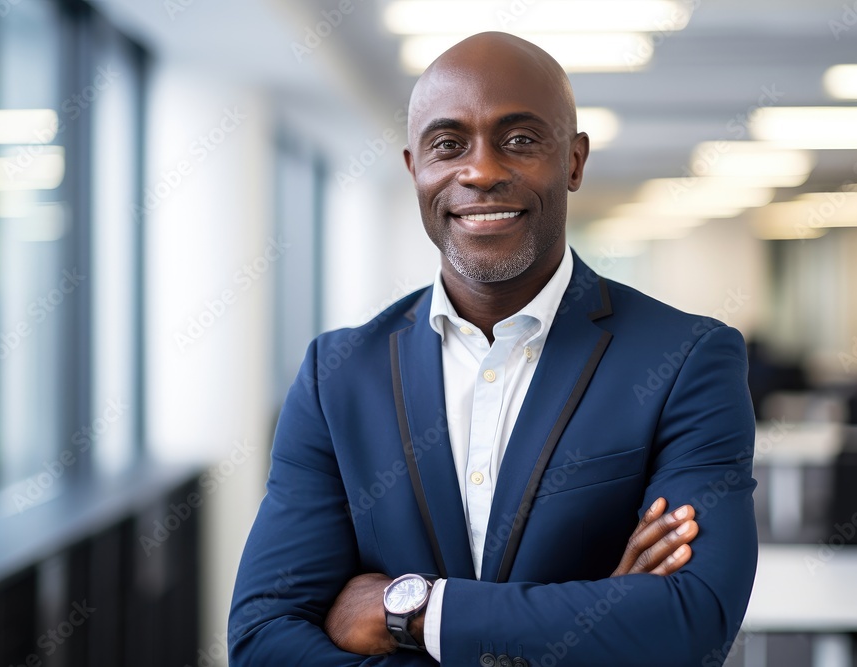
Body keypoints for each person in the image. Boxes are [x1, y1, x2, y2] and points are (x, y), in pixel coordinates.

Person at [229, 31, 757, 666]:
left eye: (520, 140)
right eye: (448, 145)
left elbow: (690, 622)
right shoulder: (337, 376)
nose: (480, 171)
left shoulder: (686, 360)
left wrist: (415, 610)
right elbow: (263, 639)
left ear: (574, 161)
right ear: (414, 170)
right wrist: (595, 617)